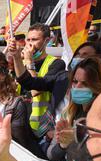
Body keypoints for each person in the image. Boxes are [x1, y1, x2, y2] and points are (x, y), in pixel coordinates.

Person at [8, 24, 67, 153]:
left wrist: (29, 62)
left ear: (46, 41)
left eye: (34, 40)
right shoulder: (20, 64)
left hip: (41, 129)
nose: (30, 44)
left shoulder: (56, 64)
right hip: (19, 124)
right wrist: (16, 57)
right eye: (28, 40)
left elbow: (35, 90)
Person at [46, 56, 101, 161]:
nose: (77, 87)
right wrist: (63, 145)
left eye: (85, 83)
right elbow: (51, 155)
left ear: (98, 86)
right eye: (75, 81)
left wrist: (76, 140)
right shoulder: (68, 112)